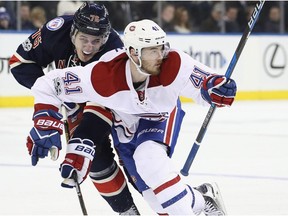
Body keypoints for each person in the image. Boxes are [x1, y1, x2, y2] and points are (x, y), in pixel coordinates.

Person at [26, 19, 237, 215]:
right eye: (152, 51)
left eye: (161, 47)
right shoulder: (104, 75)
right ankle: (203, 197)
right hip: (125, 128)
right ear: (134, 53)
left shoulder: (173, 62)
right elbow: (48, 85)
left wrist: (217, 89)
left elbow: (207, 84)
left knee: (148, 158)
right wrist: (46, 122)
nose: (161, 55)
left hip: (160, 116)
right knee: (157, 200)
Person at [9, 2, 139, 215]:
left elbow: (106, 102)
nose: (89, 47)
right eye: (83, 39)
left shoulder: (115, 51)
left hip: (115, 105)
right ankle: (128, 212)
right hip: (78, 102)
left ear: (105, 38)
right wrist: (52, 97)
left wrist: (70, 104)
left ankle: (185, 198)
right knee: (95, 159)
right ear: (73, 33)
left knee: (139, 169)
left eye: (96, 41)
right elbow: (19, 63)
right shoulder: (57, 30)